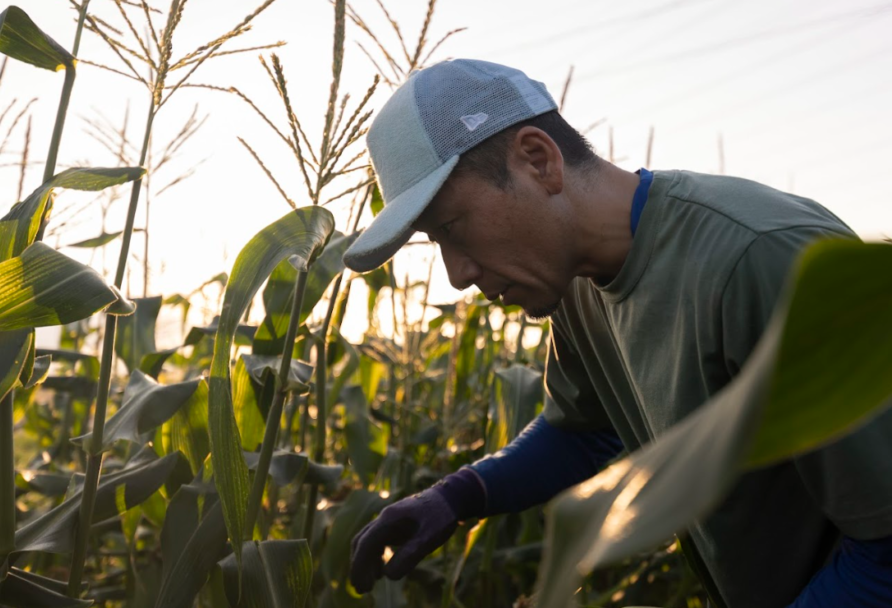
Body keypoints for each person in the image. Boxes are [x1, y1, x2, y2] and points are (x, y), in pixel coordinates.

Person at [341, 59, 892, 607]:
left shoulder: (761, 261)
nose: (458, 275)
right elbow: (583, 431)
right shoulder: (577, 284)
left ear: (539, 161)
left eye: (452, 228)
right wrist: (456, 497)